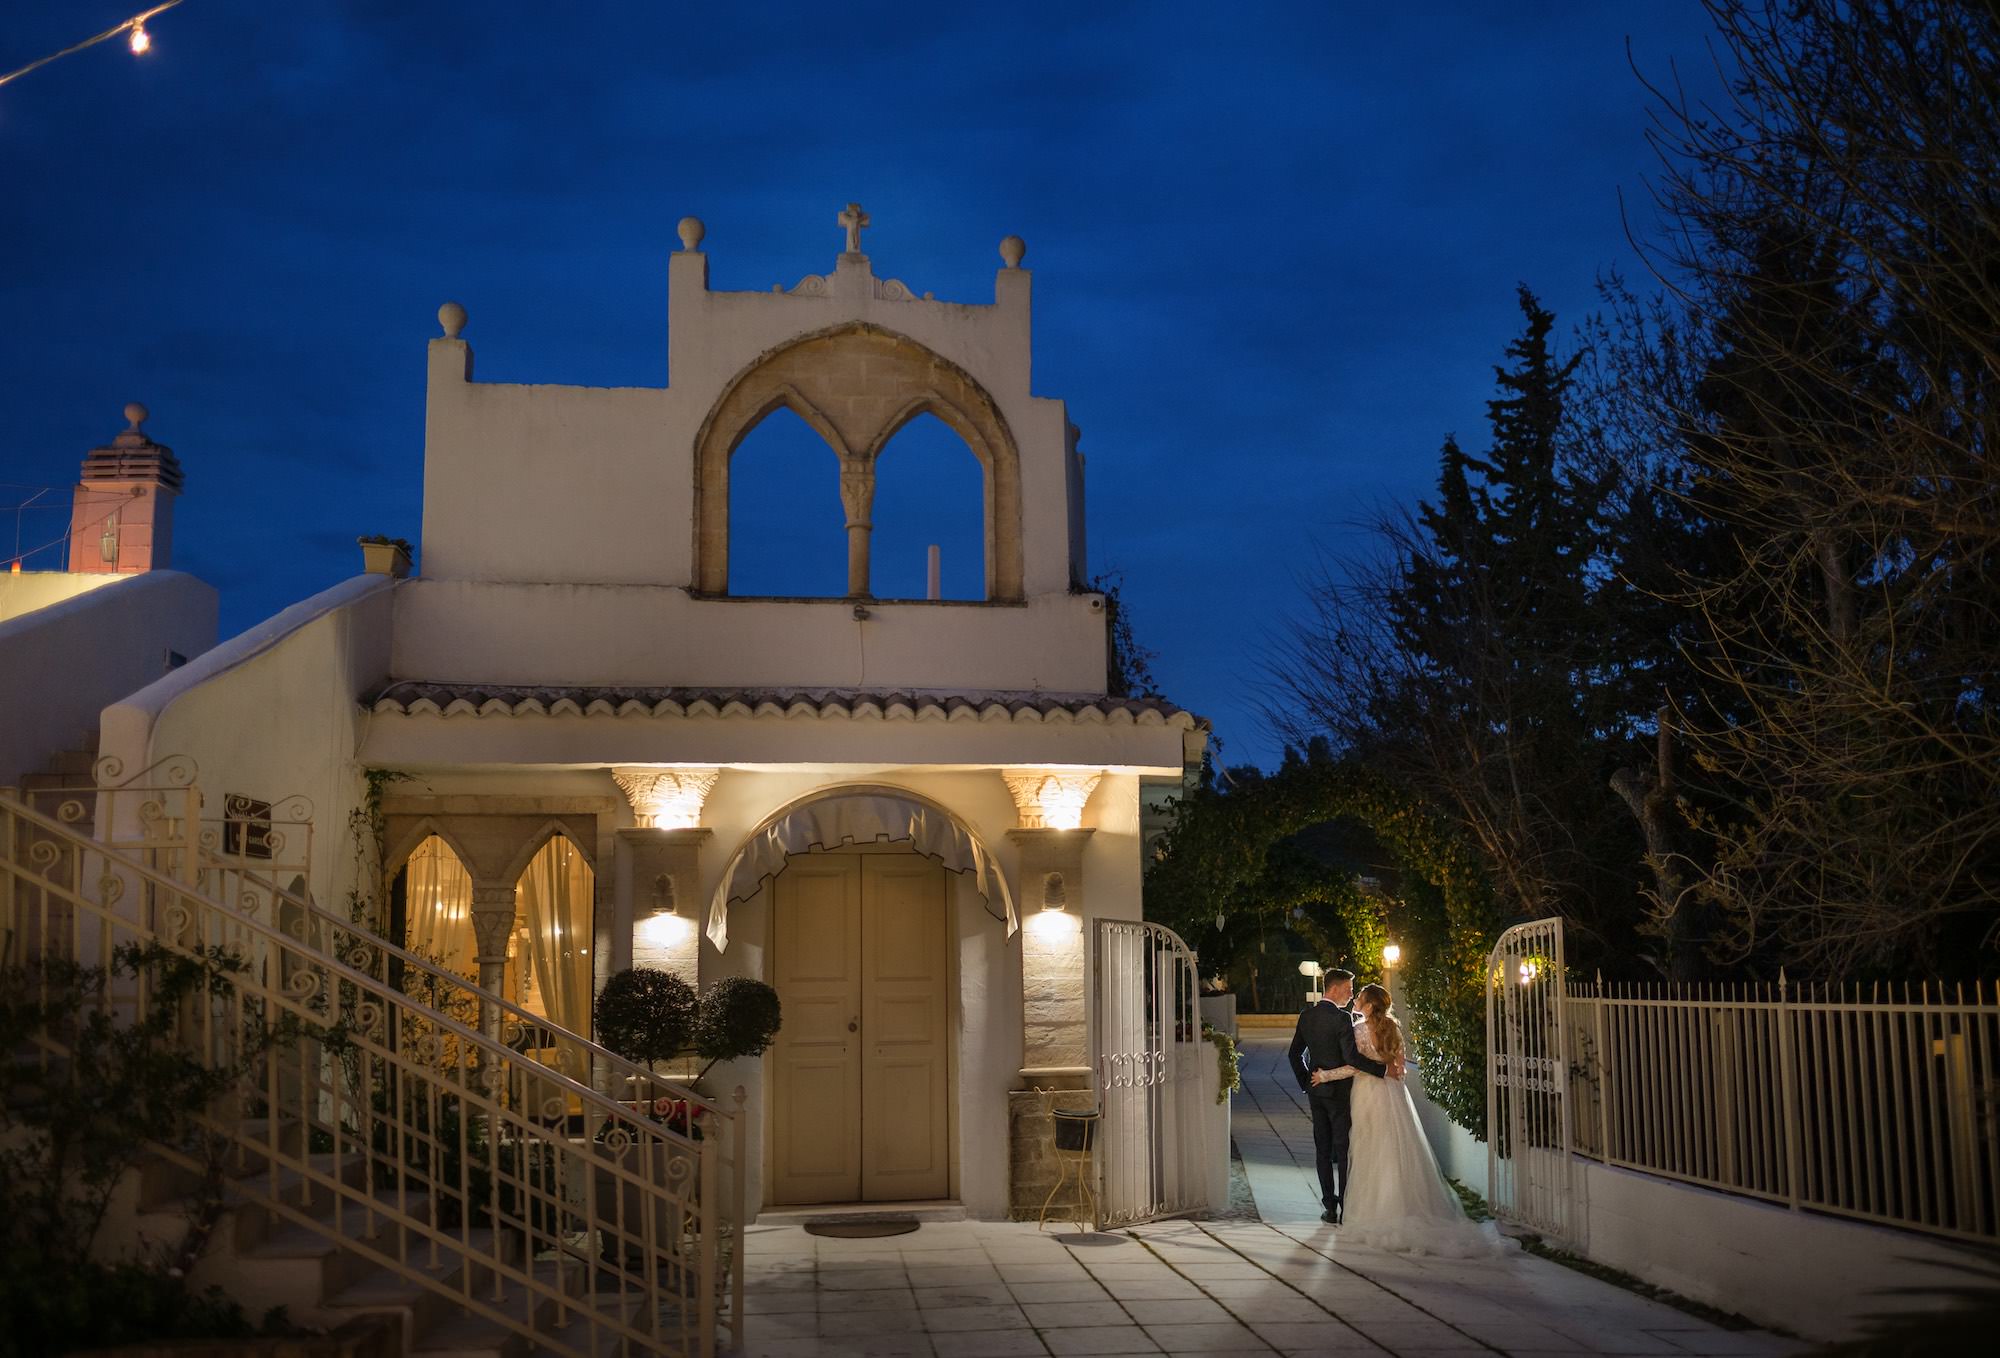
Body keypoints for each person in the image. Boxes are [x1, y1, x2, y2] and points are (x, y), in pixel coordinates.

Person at [1318, 983, 1509, 1256]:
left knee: (1370, 1149)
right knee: (1397, 1149)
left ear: (1369, 1006)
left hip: (1368, 1094)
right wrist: (1389, 1073)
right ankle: (1405, 1206)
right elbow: (1401, 1069)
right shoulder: (1393, 1028)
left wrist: (1325, 1075)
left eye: (1360, 998)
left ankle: (1376, 1212)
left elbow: (1354, 1066)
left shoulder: (1358, 1030)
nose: (1356, 1000)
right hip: (1394, 1095)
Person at [1286, 968, 1385, 1223]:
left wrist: (1306, 1082)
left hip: (1316, 1093)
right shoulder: (1342, 1018)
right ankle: (1346, 1208)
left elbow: (1294, 1054)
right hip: (1340, 1092)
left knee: (1322, 1149)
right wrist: (1380, 1069)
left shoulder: (1306, 1016)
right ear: (1335, 988)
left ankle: (1329, 1208)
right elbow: (1351, 1057)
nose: (1351, 995)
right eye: (1349, 989)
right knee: (1342, 1149)